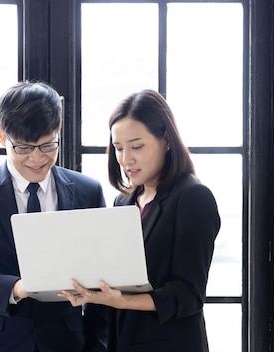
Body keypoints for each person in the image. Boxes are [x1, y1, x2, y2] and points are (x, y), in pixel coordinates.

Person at [0, 81, 108, 352]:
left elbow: (102, 278)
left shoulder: (88, 191)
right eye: (24, 148)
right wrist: (15, 288)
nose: (37, 158)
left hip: (68, 344)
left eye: (48, 146)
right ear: (1, 136)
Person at [58, 89, 221, 352]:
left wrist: (121, 300)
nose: (126, 159)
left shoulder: (193, 198)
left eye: (137, 147)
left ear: (166, 140)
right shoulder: (123, 202)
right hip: (122, 341)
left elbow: (188, 295)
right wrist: (90, 290)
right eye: (118, 148)